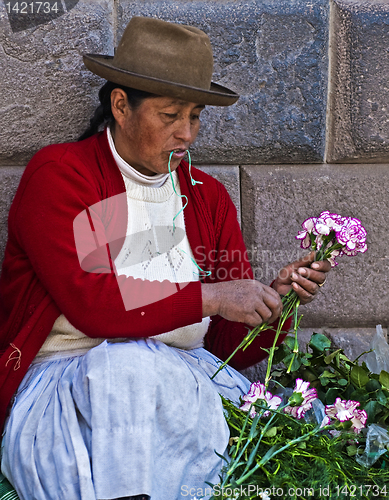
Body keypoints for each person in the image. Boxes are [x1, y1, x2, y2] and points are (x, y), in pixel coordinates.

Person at [0, 16, 330, 500]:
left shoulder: (206, 198)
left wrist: (271, 306)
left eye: (195, 116)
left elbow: (222, 349)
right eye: (170, 115)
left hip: (180, 384)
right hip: (70, 387)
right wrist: (215, 296)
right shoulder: (64, 177)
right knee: (126, 367)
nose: (187, 134)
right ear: (120, 106)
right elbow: (95, 304)